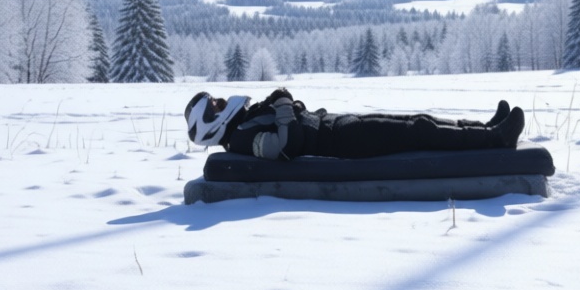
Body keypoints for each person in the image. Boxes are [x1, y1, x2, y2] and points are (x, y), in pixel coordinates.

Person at [185, 88, 525, 160]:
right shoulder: (242, 140)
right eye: (214, 105)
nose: (220, 101)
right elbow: (285, 145)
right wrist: (284, 104)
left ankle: (484, 128)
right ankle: (496, 140)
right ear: (212, 124)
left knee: (416, 121)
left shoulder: (242, 122)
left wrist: (284, 103)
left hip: (333, 125)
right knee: (418, 131)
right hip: (339, 144)